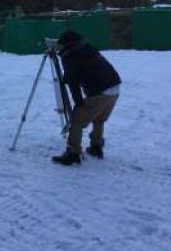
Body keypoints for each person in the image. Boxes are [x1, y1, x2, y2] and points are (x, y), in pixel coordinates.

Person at [52, 30, 121, 166]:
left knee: (77, 121)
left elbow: (73, 82)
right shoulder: (88, 49)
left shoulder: (70, 56)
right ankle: (96, 147)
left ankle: (73, 153)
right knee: (98, 117)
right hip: (115, 87)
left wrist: (78, 103)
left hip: (100, 91)